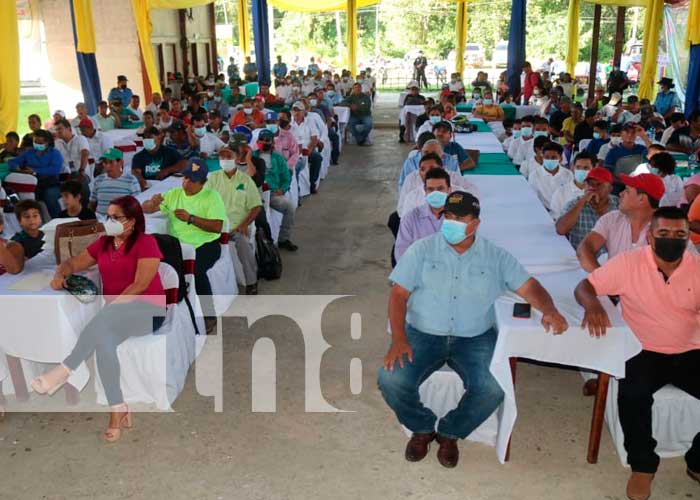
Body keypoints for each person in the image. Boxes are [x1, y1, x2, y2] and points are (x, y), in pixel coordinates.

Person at [378, 191, 568, 468]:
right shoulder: (421, 249)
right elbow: (398, 295)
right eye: (448, 217)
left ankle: (450, 432)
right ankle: (422, 427)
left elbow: (530, 287)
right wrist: (398, 339)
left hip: (474, 337)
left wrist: (549, 309)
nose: (451, 222)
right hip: (423, 333)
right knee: (390, 379)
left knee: (494, 387)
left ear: (475, 223)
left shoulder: (495, 256)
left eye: (459, 218)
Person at [574, 207, 700, 500]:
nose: (672, 239)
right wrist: (593, 305)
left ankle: (697, 461)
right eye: (664, 233)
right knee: (632, 396)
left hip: (691, 349)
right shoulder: (629, 263)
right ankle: (643, 466)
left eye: (680, 234)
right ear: (650, 236)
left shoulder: (696, 267)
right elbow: (585, 286)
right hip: (643, 348)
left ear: (687, 237)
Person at [32, 196, 166, 442]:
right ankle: (118, 409)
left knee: (101, 322)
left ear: (133, 221)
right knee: (103, 343)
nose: (110, 221)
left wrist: (110, 310)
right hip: (115, 315)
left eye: (117, 217)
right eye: (109, 216)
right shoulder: (104, 243)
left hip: (148, 309)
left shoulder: (146, 243)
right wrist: (60, 274)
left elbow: (140, 285)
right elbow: (72, 263)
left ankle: (65, 368)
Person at [142, 160, 226, 332]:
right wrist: (152, 203)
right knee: (158, 268)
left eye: (192, 180)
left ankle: (209, 315)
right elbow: (147, 209)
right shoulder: (174, 194)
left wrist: (191, 219)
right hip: (178, 247)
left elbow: (217, 226)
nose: (186, 183)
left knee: (195, 271)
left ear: (203, 182)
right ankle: (165, 311)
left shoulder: (212, 196)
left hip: (206, 244)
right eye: (185, 178)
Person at [577, 173, 669, 271]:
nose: (621, 193)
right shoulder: (612, 219)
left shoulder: (668, 230)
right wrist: (601, 277)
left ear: (641, 198)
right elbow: (585, 248)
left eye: (627, 190)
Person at [208, 147, 262, 295]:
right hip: (215, 226)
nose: (225, 159)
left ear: (237, 158)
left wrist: (244, 224)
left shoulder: (245, 180)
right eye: (222, 156)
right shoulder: (212, 178)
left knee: (243, 243)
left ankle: (251, 281)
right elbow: (204, 201)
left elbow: (256, 205)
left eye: (228, 156)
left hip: (236, 227)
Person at [398, 152, 479, 218]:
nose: (427, 172)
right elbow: (406, 223)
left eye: (432, 168)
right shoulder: (412, 197)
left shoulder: (459, 194)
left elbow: (469, 219)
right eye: (423, 169)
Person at [556, 167, 618, 250]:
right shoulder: (574, 204)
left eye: (598, 184)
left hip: (613, 259)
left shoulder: (618, 204)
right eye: (589, 184)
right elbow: (561, 230)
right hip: (582, 260)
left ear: (610, 188)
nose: (592, 188)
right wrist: (582, 202)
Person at [394, 168, 450, 260]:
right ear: (425, 190)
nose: (435, 193)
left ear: (449, 190)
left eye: (440, 189)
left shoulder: (460, 218)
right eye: (430, 189)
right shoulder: (410, 218)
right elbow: (402, 253)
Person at [8, 129, 64, 217]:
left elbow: (55, 169)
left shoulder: (54, 153)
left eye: (40, 142)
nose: (37, 144)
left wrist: (35, 171)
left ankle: (58, 220)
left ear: (47, 142)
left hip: (51, 183)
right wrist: (17, 167)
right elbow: (12, 162)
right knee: (22, 199)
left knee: (50, 196)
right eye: (35, 142)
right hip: (32, 183)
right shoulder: (29, 152)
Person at [260, 130, 297, 251]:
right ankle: (262, 243)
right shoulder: (253, 156)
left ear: (272, 143)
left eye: (267, 140)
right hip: (255, 193)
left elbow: (286, 177)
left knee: (290, 206)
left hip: (272, 193)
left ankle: (283, 239)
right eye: (262, 140)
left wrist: (282, 189)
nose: (264, 143)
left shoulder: (278, 158)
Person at [89, 148, 141, 216]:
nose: (107, 166)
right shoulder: (98, 180)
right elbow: (92, 203)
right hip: (100, 221)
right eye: (105, 162)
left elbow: (137, 205)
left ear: (121, 163)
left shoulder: (131, 180)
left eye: (111, 162)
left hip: (121, 221)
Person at [0, 200, 45, 274]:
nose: (31, 219)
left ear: (41, 218)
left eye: (35, 216)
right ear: (19, 221)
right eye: (27, 217)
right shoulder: (16, 241)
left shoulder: (45, 234)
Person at [528, 142, 573, 211]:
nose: (550, 160)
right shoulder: (534, 175)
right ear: (543, 157)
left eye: (554, 157)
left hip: (565, 212)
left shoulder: (568, 174)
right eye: (547, 157)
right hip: (544, 212)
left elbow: (571, 197)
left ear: (560, 158)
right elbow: (533, 199)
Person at [550, 151, 595, 219]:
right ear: (573, 168)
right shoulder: (560, 193)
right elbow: (555, 218)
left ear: (594, 169)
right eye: (578, 167)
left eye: (586, 168)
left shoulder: (597, 192)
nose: (581, 171)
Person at [290, 102, 323, 193]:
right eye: (294, 110)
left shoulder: (310, 121)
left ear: (303, 112)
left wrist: (309, 150)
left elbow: (314, 139)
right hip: (293, 150)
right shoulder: (289, 122)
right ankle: (296, 189)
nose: (296, 113)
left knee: (317, 158)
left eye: (298, 111)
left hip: (307, 148)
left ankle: (312, 182)